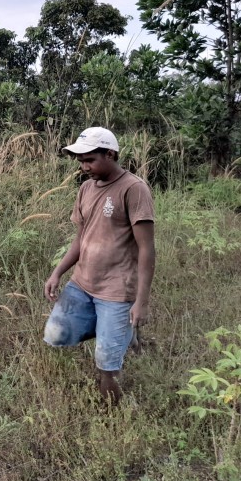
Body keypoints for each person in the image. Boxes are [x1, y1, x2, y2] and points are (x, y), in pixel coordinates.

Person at [43, 127, 155, 404]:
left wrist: (141, 301)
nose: (84, 167)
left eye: (90, 160)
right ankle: (123, 334)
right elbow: (81, 238)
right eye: (80, 161)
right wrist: (58, 272)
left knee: (106, 364)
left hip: (117, 290)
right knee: (56, 335)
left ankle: (110, 416)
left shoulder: (133, 189)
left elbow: (146, 249)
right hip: (82, 283)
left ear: (111, 154)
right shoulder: (86, 188)